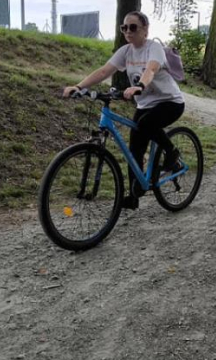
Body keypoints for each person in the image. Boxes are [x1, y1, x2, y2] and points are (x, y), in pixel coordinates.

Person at [62, 11, 185, 210]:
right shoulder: (126, 51)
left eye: (133, 27)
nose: (128, 31)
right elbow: (103, 71)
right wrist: (79, 86)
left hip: (170, 102)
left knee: (145, 124)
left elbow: (151, 69)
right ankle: (134, 194)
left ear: (145, 29)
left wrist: (140, 86)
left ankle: (172, 153)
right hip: (145, 105)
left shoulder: (154, 48)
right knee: (134, 148)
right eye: (124, 27)